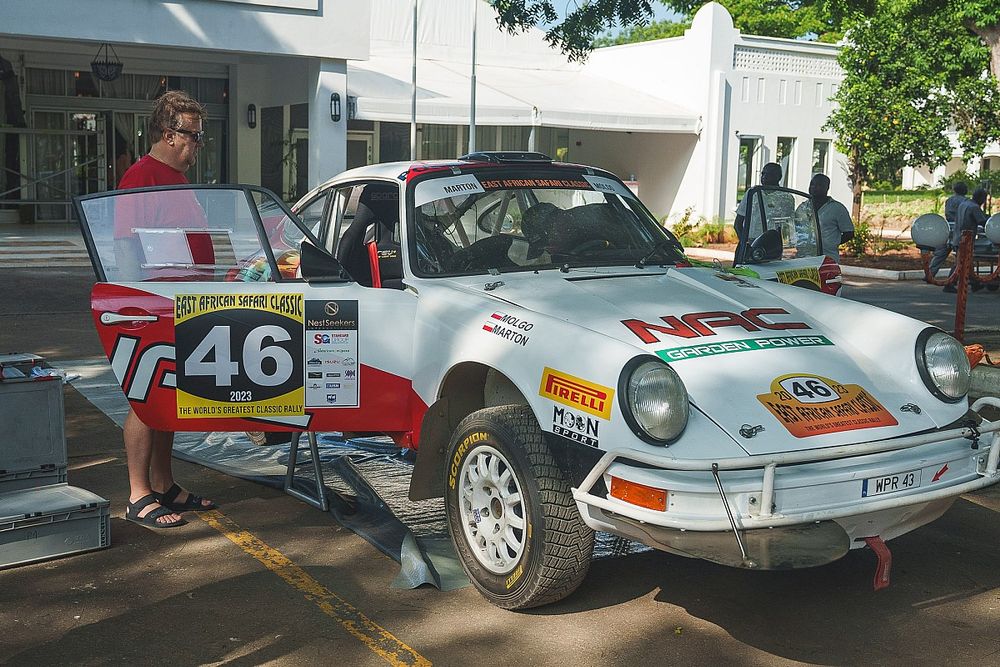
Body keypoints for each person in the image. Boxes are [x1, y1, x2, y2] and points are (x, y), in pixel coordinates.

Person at [116, 90, 215, 528]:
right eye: (195, 136)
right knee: (145, 395)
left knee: (168, 393)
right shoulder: (141, 177)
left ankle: (164, 482)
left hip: (180, 300)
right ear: (170, 134)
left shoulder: (174, 178)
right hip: (153, 302)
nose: (198, 145)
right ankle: (139, 494)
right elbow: (124, 245)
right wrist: (138, 305)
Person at [734, 163, 796, 260]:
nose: (764, 177)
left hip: (772, 247)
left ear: (778, 177)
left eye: (769, 174)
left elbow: (787, 228)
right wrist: (745, 244)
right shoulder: (752, 193)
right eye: (763, 174)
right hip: (749, 244)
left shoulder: (786, 198)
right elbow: (738, 222)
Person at [943, 187, 988, 293]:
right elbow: (982, 221)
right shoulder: (974, 207)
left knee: (966, 261)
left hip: (958, 236)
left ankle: (974, 283)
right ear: (981, 198)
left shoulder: (964, 204)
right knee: (960, 262)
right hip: (966, 239)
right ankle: (949, 284)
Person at [804, 173, 854, 262]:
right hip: (803, 258)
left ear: (826, 188)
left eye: (818, 185)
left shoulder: (837, 208)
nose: (814, 187)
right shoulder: (803, 207)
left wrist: (832, 243)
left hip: (827, 259)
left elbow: (849, 233)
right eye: (812, 184)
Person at [929, 181, 968, 279]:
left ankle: (930, 273)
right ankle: (952, 277)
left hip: (947, 226)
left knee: (940, 253)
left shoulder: (949, 200)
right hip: (959, 229)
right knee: (960, 255)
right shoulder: (966, 201)